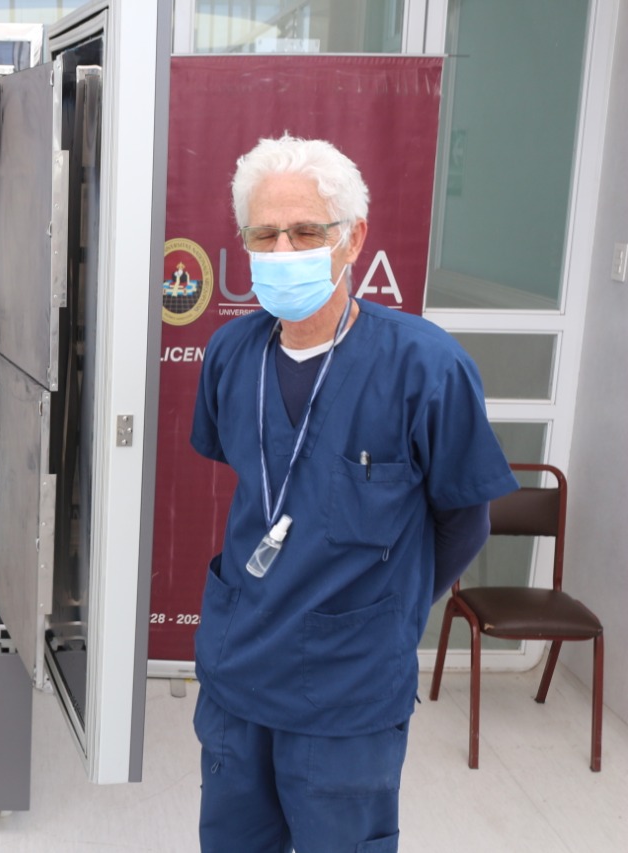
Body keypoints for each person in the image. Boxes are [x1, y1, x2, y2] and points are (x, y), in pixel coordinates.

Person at [189, 135, 517, 852]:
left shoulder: (426, 367)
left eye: (305, 231)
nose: (282, 249)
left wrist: (384, 613)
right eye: (264, 234)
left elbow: (464, 523)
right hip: (239, 672)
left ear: (353, 239)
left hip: (348, 691)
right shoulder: (231, 354)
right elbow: (253, 481)